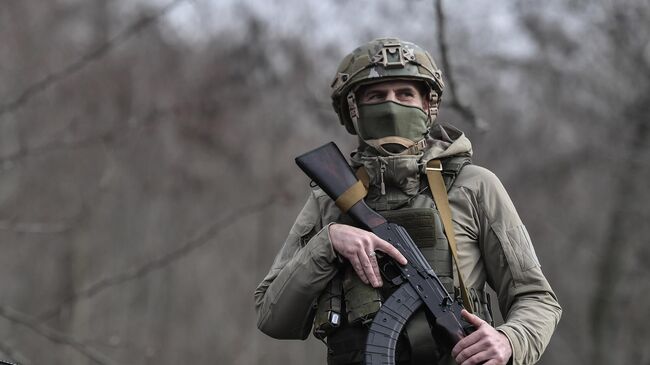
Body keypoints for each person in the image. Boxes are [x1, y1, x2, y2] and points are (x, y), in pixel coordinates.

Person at [255, 37, 561, 365]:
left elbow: (536, 298)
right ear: (353, 110)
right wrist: (327, 242)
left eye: (405, 94)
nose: (391, 105)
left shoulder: (474, 186)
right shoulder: (329, 200)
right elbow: (272, 316)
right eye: (376, 95)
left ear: (428, 105)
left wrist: (508, 340)